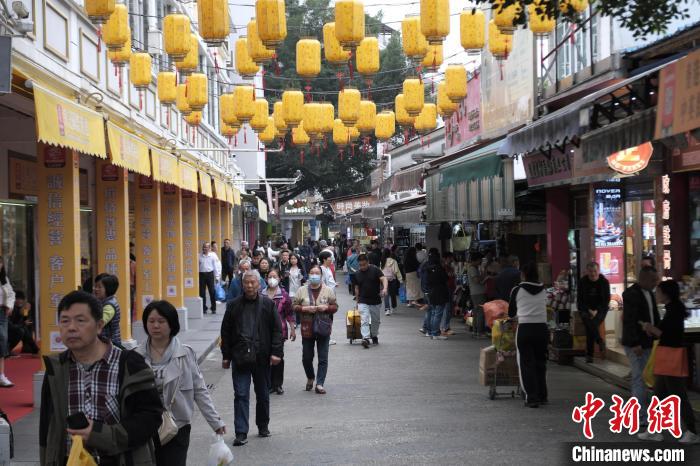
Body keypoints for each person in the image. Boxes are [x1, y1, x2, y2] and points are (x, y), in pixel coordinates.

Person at [40, 290, 162, 464]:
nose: (71, 327)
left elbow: (150, 418)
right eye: (65, 321)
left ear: (99, 325)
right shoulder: (56, 369)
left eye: (80, 320)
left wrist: (99, 434)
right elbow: (47, 428)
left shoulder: (130, 364)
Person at [136, 300, 226, 465]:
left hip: (177, 426)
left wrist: (215, 422)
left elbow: (199, 390)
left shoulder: (185, 353)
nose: (155, 325)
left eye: (161, 321)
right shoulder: (135, 356)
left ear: (172, 324)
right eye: (151, 321)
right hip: (144, 427)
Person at [220, 270, 283, 447]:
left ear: (258, 284)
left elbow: (276, 330)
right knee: (240, 394)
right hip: (240, 356)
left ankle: (263, 425)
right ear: (242, 284)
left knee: (263, 394)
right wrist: (226, 355)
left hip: (261, 356)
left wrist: (276, 352)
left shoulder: (267, 305)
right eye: (246, 282)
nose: (249, 286)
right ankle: (241, 431)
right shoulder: (233, 305)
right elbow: (225, 331)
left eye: (252, 283)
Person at [639, 280, 699, 443]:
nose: (656, 294)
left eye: (658, 292)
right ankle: (654, 430)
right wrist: (653, 329)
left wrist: (651, 329)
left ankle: (692, 431)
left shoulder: (675, 311)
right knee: (658, 395)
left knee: (677, 396)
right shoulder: (673, 309)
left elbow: (668, 335)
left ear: (666, 294)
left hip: (671, 356)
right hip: (667, 356)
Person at [621, 266, 660, 429]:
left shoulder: (650, 292)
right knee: (639, 379)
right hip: (637, 344)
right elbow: (629, 320)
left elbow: (653, 315)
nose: (655, 283)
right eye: (653, 280)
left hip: (650, 342)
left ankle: (647, 414)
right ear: (643, 279)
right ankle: (641, 417)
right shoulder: (631, 294)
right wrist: (635, 342)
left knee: (647, 378)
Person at [293, 265, 338, 394]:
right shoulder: (301, 290)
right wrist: (304, 309)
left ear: (321, 275)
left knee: (323, 357)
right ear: (308, 275)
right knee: (306, 357)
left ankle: (320, 383)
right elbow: (294, 305)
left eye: (317, 273)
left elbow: (335, 306)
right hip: (307, 327)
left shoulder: (328, 290)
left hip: (323, 327)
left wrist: (327, 308)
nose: (314, 275)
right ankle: (310, 377)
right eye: (312, 272)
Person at [508, 263, 548, 408]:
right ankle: (542, 395)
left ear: (523, 275)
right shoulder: (544, 289)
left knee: (526, 364)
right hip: (542, 330)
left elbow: (511, 313)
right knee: (540, 363)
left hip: (525, 329)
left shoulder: (517, 290)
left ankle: (532, 398)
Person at [265, 270, 295, 395]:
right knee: (266, 357)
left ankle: (278, 384)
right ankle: (269, 384)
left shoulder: (284, 295)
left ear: (279, 278)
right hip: (263, 332)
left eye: (275, 276)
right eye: (270, 276)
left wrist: (293, 329)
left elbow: (289, 313)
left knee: (278, 357)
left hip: (279, 331)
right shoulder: (261, 294)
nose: (272, 279)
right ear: (266, 278)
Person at [576, 262, 611, 363]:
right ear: (587, 272)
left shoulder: (604, 282)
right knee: (588, 321)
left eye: (595, 271)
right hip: (585, 309)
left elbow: (606, 300)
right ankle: (599, 341)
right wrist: (589, 310)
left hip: (601, 309)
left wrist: (597, 310)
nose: (593, 273)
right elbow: (580, 300)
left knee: (591, 325)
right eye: (590, 271)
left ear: (598, 271)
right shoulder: (582, 282)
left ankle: (589, 354)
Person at [353, 254, 388, 348]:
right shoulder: (357, 274)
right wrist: (357, 301)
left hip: (375, 300)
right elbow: (356, 288)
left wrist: (384, 289)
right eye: (360, 265)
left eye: (364, 264)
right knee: (364, 319)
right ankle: (366, 338)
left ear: (368, 262)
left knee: (376, 321)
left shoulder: (375, 269)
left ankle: (374, 335)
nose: (362, 267)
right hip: (362, 300)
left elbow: (383, 278)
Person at [424, 251, 450, 340]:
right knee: (438, 314)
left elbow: (426, 281)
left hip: (431, 292)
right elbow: (446, 278)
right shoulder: (439, 268)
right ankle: (435, 333)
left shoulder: (428, 269)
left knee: (434, 313)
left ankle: (431, 332)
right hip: (440, 292)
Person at [93, 273, 122, 346]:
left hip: (110, 344)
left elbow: (99, 323)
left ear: (108, 289)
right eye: (95, 286)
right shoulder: (102, 301)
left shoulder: (109, 306)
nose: (95, 289)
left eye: (99, 287)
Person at [8, 290, 39, 354]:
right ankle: (7, 350)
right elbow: (10, 326)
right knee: (22, 330)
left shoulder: (20, 308)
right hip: (8, 332)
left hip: (15, 329)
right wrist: (23, 324)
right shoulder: (10, 309)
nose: (20, 301)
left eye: (21, 299)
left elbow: (26, 320)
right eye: (17, 299)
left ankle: (32, 349)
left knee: (26, 327)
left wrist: (26, 311)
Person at [0, 256, 15, 387]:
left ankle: (1, 375)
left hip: (2, 313)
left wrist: (9, 305)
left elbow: (11, 294)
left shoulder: (4, 280)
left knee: (2, 341)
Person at [467, 253, 487, 337]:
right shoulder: (472, 269)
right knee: (480, 312)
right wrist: (484, 274)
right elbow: (477, 280)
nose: (480, 262)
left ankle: (475, 331)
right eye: (480, 260)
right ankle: (480, 332)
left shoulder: (473, 268)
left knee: (476, 312)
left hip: (475, 292)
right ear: (476, 260)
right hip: (478, 292)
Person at [199, 242, 220, 314]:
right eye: (204, 247)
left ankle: (213, 308)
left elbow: (215, 266)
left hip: (210, 274)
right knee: (202, 292)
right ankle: (203, 308)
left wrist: (217, 276)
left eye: (206, 247)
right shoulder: (199, 256)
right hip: (201, 275)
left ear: (209, 248)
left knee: (212, 292)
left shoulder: (212, 256)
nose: (205, 248)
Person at [381, 249, 403, 316]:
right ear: (390, 254)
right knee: (393, 294)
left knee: (386, 294)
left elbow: (380, 271)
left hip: (384, 279)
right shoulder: (394, 261)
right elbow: (397, 271)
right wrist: (400, 279)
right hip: (392, 279)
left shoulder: (382, 261)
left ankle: (387, 309)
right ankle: (394, 307)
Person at [442, 252, 457, 335]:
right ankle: (445, 327)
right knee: (447, 308)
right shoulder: (443, 267)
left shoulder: (450, 267)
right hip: (446, 289)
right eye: (450, 258)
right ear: (445, 258)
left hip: (451, 288)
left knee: (449, 308)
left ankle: (446, 326)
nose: (451, 259)